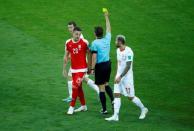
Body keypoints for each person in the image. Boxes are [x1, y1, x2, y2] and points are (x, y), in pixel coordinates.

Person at [105, 35, 148, 121]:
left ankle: (143, 109)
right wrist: (116, 75)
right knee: (116, 94)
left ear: (120, 42)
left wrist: (120, 77)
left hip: (127, 78)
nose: (115, 42)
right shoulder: (118, 50)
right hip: (119, 77)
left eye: (116, 41)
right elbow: (119, 63)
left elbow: (128, 66)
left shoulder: (129, 51)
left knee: (130, 97)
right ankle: (115, 116)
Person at [63, 21, 99, 103]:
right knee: (72, 77)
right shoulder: (73, 37)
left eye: (71, 27)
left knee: (83, 79)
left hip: (81, 63)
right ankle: (71, 96)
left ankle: (97, 89)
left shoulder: (79, 37)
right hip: (76, 63)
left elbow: (82, 50)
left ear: (75, 28)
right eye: (68, 27)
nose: (70, 29)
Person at [90, 11, 114, 114]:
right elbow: (109, 28)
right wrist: (106, 17)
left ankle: (104, 109)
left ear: (95, 34)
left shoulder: (95, 43)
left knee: (101, 88)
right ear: (102, 33)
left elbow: (94, 57)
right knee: (106, 83)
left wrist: (91, 68)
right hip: (108, 64)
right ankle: (113, 101)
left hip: (100, 66)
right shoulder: (107, 39)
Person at [64, 27, 89, 115]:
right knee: (79, 88)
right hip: (73, 69)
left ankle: (71, 107)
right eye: (76, 34)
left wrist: (90, 67)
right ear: (73, 33)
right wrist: (64, 68)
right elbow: (66, 56)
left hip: (82, 69)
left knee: (75, 86)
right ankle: (83, 106)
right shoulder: (68, 43)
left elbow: (89, 53)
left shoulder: (84, 42)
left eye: (79, 34)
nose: (78, 36)